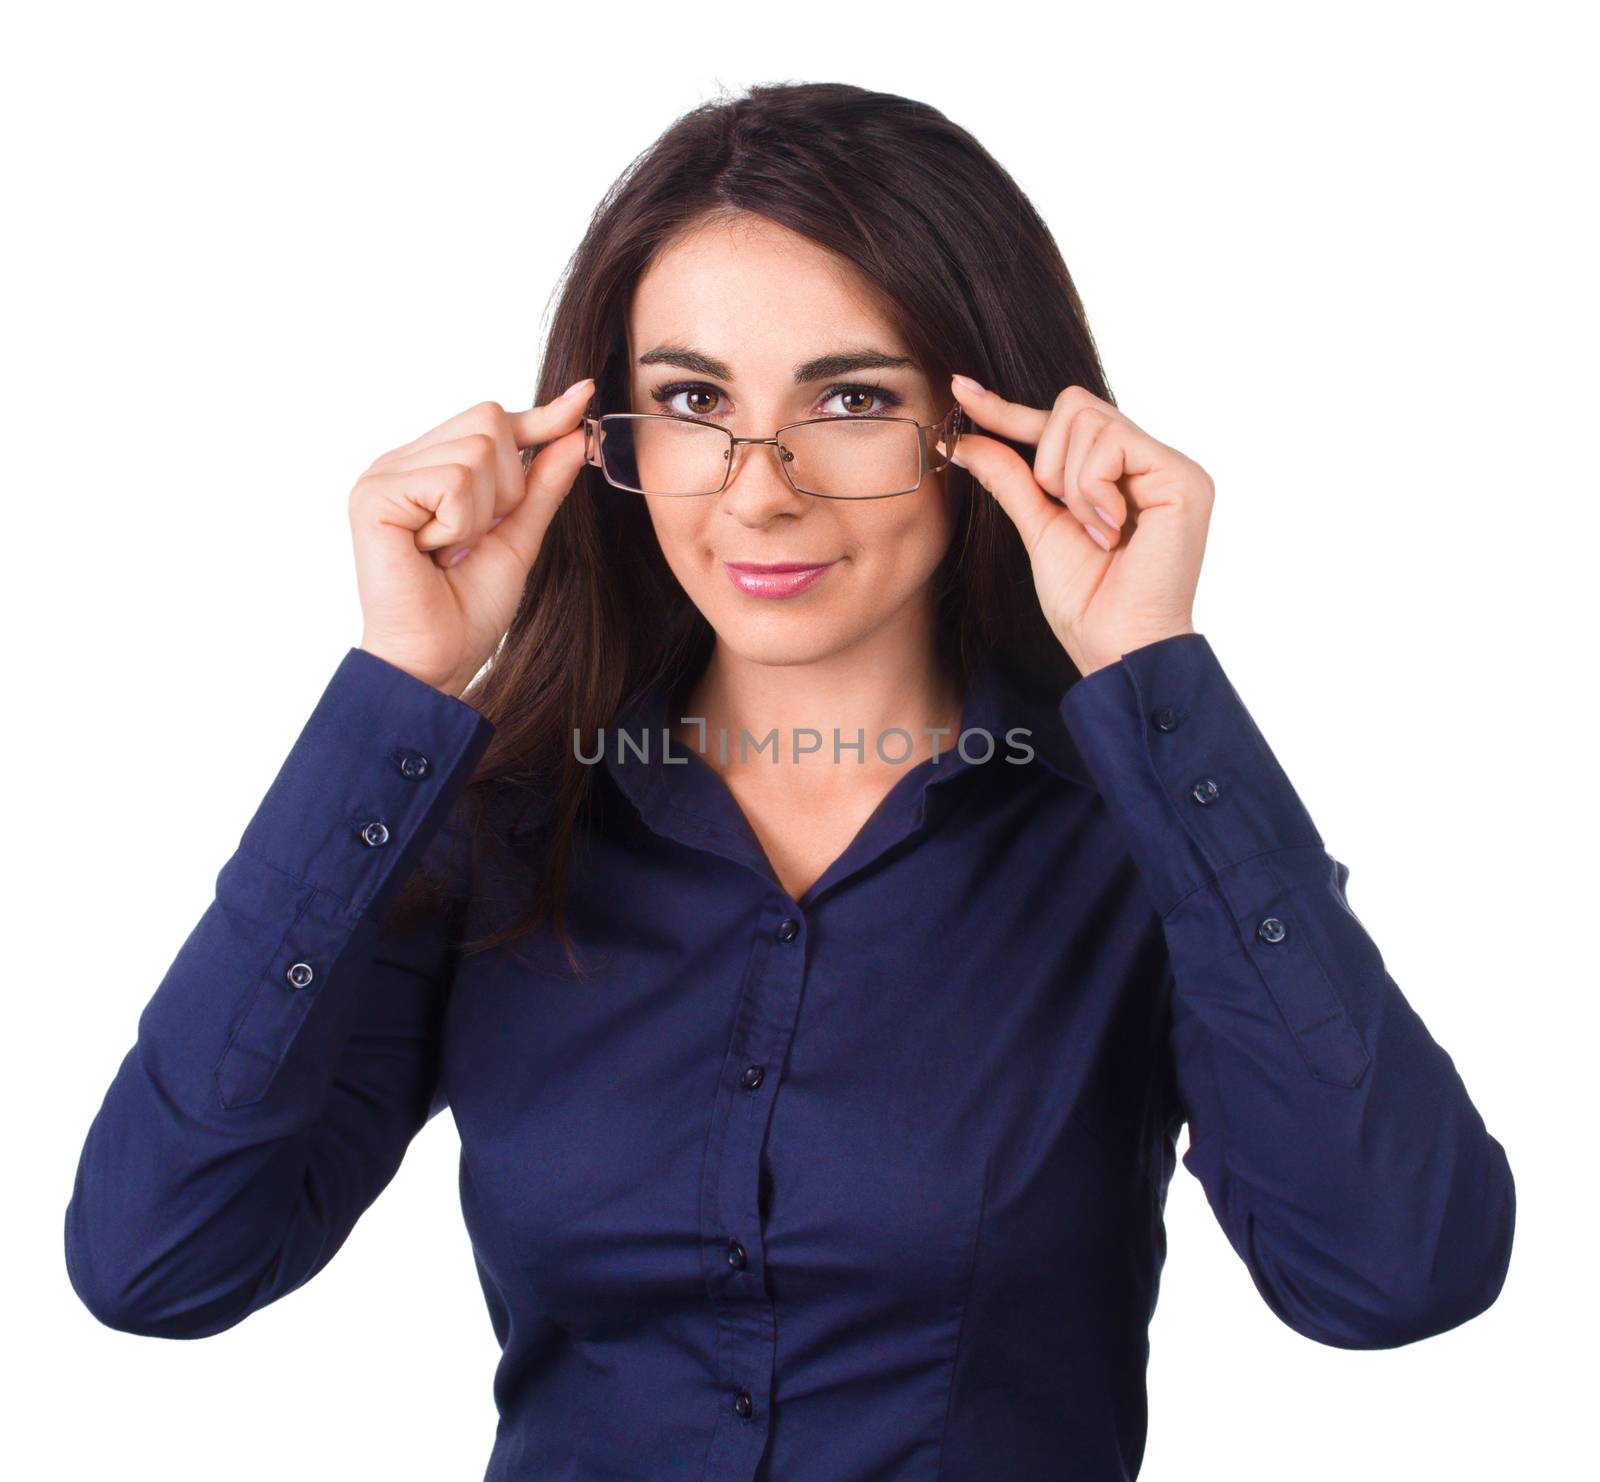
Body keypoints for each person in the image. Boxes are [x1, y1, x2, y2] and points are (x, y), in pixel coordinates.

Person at [63, 80, 1515, 1481]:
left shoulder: (1137, 839)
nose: (759, 486)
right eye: (692, 397)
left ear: (988, 426)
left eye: (852, 398)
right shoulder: (507, 824)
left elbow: (1397, 1270)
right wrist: (401, 687)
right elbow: (157, 1258)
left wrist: (1151, 671)